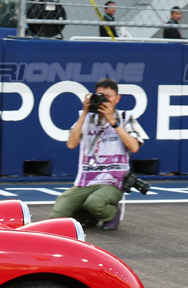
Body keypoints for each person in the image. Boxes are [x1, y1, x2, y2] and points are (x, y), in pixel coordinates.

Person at [48, 78, 143, 231]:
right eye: (100, 95)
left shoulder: (125, 117)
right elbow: (71, 144)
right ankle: (90, 214)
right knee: (58, 216)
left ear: (117, 99)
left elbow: (134, 146)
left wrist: (113, 121)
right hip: (87, 180)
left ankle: (110, 214)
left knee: (95, 203)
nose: (104, 100)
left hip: (114, 180)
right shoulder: (86, 118)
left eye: (109, 96)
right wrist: (84, 113)